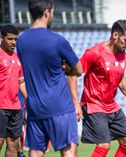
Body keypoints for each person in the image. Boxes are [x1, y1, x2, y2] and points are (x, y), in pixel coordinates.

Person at [16, 0, 83, 156]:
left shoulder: (21, 41)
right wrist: (67, 69)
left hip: (35, 107)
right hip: (59, 106)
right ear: (47, 13)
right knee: (68, 151)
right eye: (52, 12)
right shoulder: (57, 40)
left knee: (36, 151)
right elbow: (79, 69)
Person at [70, 19, 126, 157]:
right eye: (125, 40)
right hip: (93, 105)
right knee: (104, 145)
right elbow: (72, 75)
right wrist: (76, 103)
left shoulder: (123, 55)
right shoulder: (95, 52)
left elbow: (121, 80)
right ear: (115, 35)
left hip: (111, 106)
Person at [0, 25, 27, 157]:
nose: (13, 42)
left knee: (13, 144)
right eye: (10, 39)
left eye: (15, 39)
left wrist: (29, 98)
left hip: (15, 107)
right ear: (1, 38)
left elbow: (21, 82)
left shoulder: (17, 57)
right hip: (0, 106)